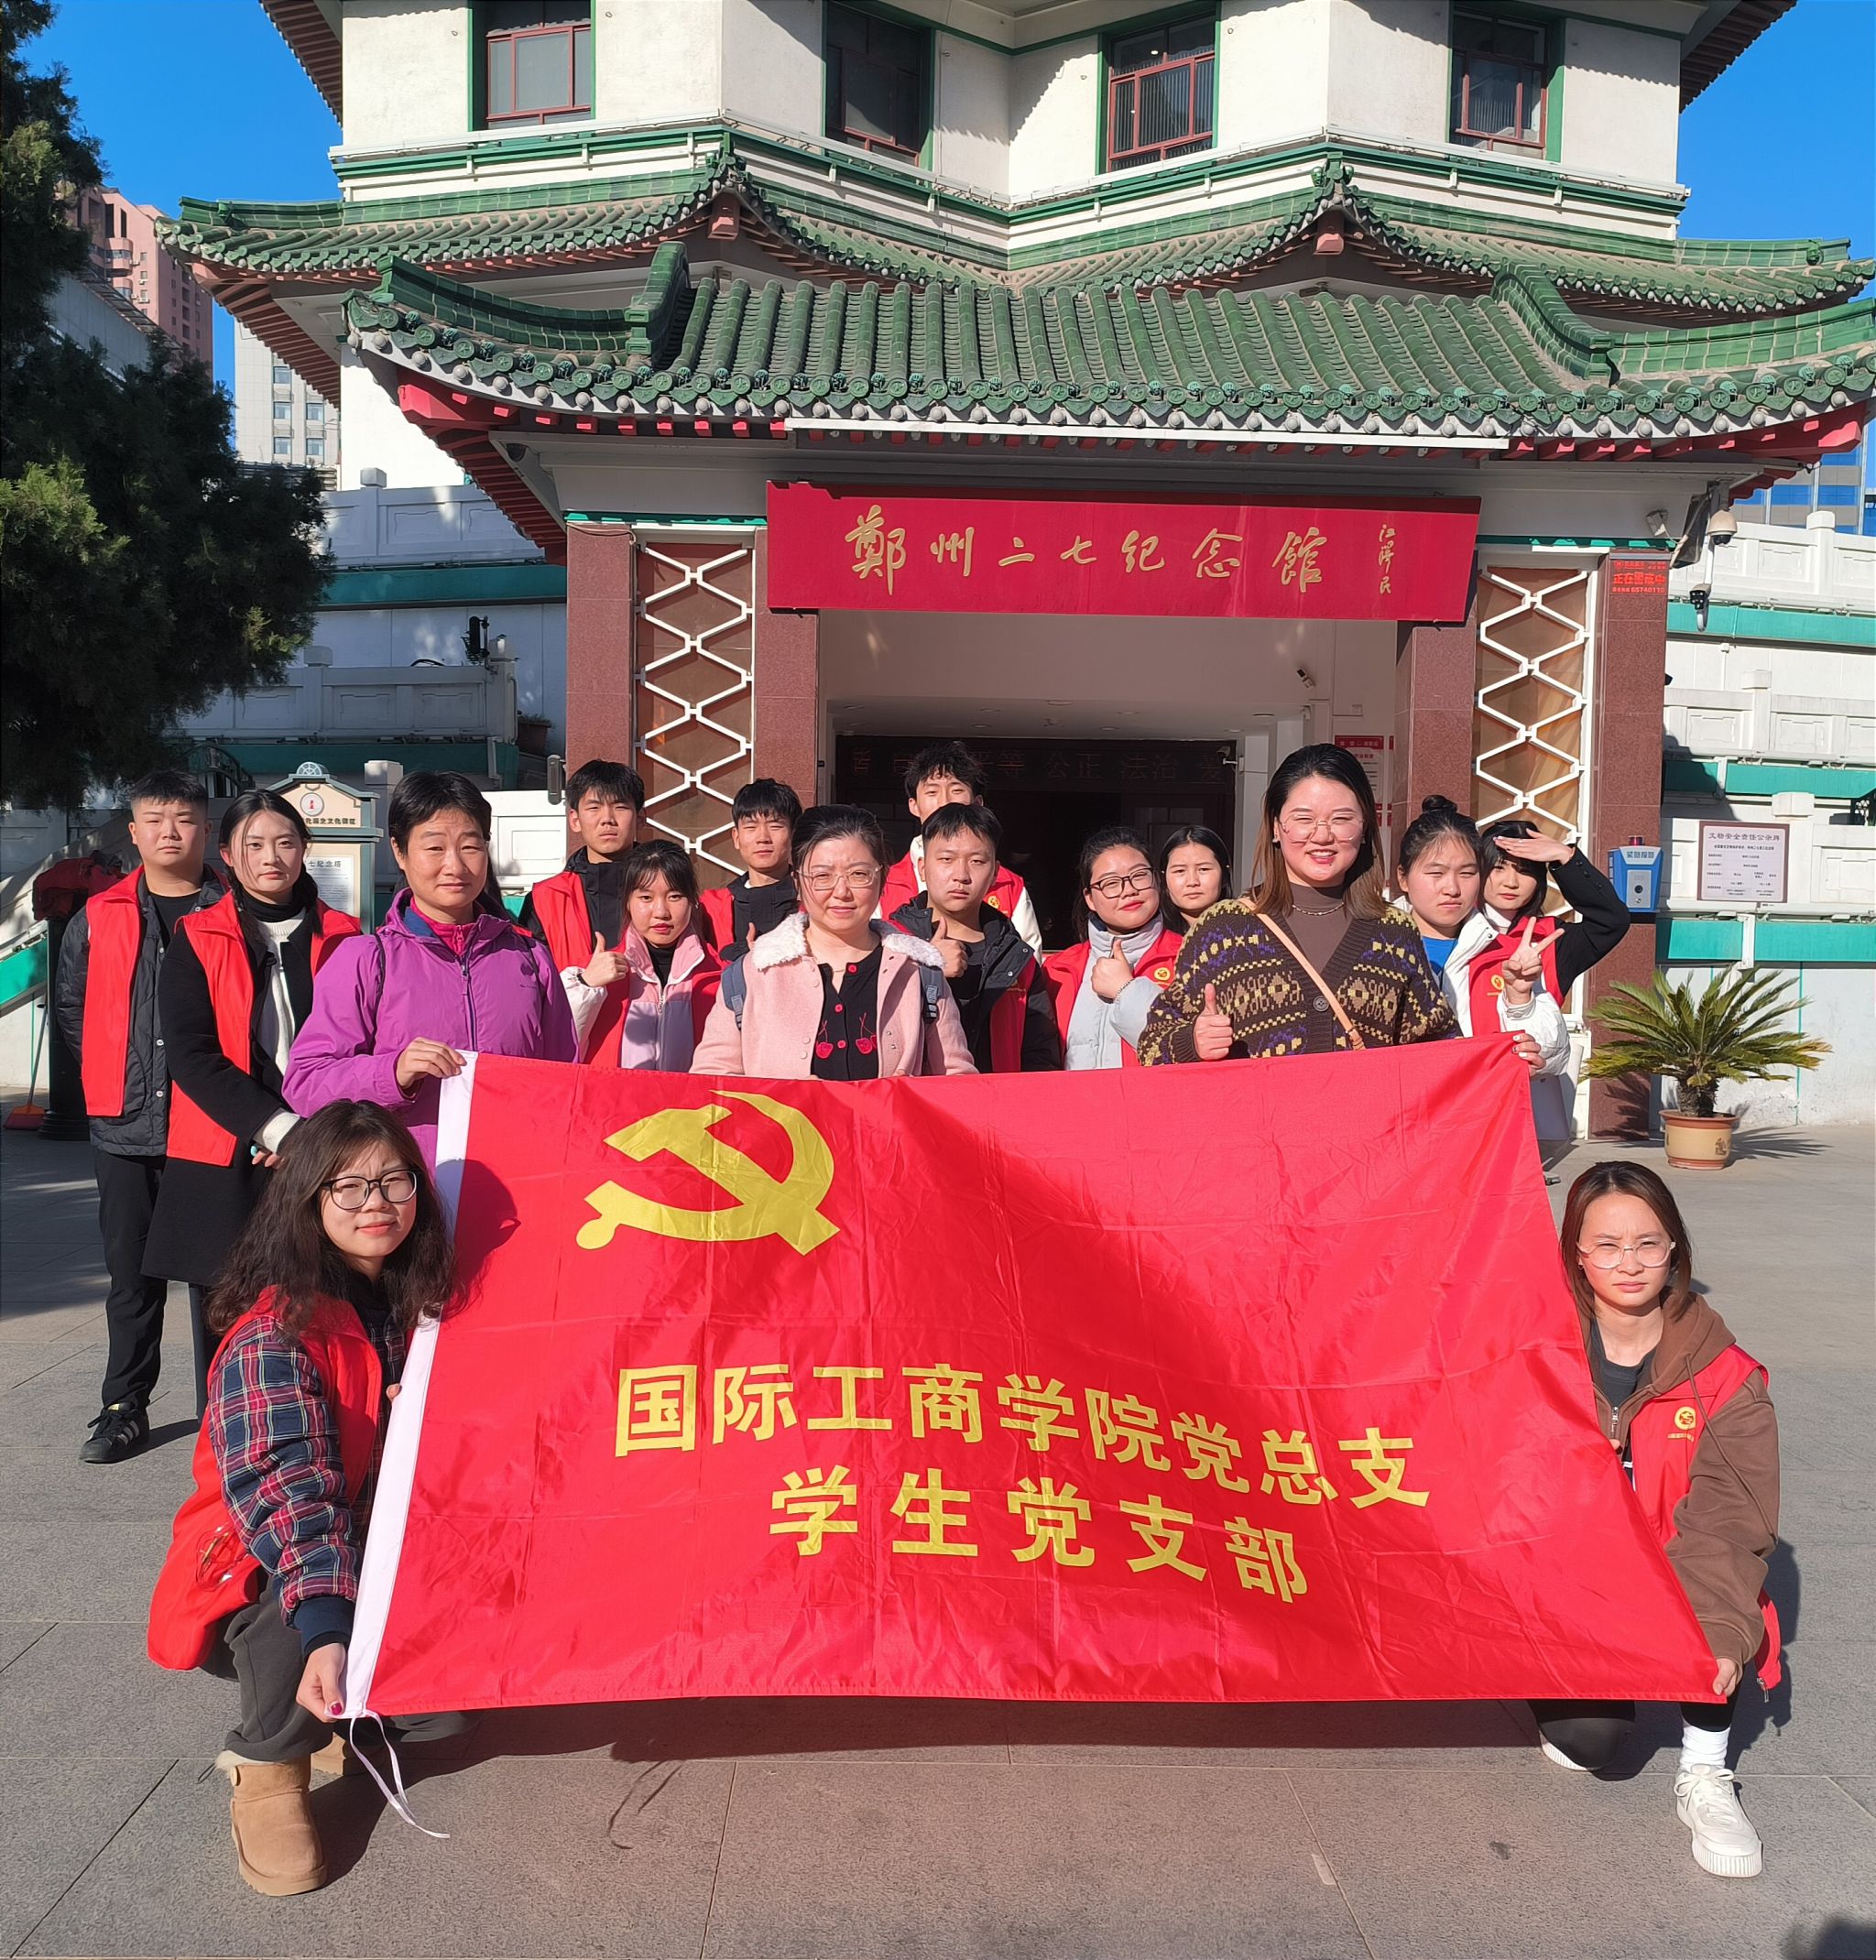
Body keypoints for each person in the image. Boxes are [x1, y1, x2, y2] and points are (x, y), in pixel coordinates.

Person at [146, 1103, 466, 1897]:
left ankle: (336, 1714)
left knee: (447, 1715)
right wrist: (329, 1629)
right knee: (300, 1619)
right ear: (307, 1200)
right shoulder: (274, 1337)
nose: (375, 1203)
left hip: (376, 1545)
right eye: (347, 1187)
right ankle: (267, 1762)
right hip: (263, 1570)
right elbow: (293, 1502)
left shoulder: (426, 1307)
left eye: (394, 1181)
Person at [1536, 1161, 1780, 1880]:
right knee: (1589, 1743)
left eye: (1648, 1243)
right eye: (1606, 1245)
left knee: (1718, 1628)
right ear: (1576, 1255)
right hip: (1566, 1580)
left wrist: (1719, 1633)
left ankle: (1706, 1771)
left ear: (1675, 1249)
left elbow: (1731, 1522)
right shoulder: (1534, 1353)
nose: (1629, 1263)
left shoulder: (1727, 1377)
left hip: (1675, 1574)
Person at [146, 791, 362, 1416]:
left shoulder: (347, 937)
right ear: (228, 856)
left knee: (327, 1308)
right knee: (229, 1321)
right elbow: (192, 1056)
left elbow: (364, 1044)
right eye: (255, 845)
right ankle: (228, 1451)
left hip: (324, 1147)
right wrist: (278, 1129)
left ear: (305, 850)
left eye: (286, 842)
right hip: (227, 1152)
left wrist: (315, 1134)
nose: (272, 857)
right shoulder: (196, 936)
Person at [55, 769, 226, 1465]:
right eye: (154, 820)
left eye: (182, 819)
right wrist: (115, 1074)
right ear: (133, 831)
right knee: (131, 1280)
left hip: (211, 1126)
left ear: (205, 829)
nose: (169, 832)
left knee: (220, 1281)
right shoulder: (99, 916)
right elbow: (72, 1006)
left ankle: (226, 1411)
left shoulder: (232, 910)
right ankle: (124, 1408)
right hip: (124, 1128)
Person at [285, 772, 578, 1163]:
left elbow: (564, 1080)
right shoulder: (365, 959)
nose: (454, 865)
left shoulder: (530, 956)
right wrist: (394, 1072)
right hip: (407, 1183)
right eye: (435, 847)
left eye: (470, 846)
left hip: (516, 1176)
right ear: (400, 852)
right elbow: (306, 1084)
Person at [1138, 744, 1454, 1065]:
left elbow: (1439, 1048)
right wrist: (1192, 1042)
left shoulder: (1394, 931)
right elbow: (1151, 1046)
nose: (1322, 836)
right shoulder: (1222, 929)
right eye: (1304, 818)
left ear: (1364, 828)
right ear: (1276, 827)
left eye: (1342, 819)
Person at [692, 804, 974, 1078]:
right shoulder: (751, 976)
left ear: (882, 878)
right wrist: (787, 1098)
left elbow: (957, 1085)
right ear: (797, 882)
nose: (841, 891)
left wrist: (907, 1097)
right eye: (822, 876)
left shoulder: (920, 974)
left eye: (859, 874)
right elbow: (711, 1085)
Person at [1393, 795, 1570, 1089]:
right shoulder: (1372, 946)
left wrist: (1521, 1001)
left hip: (1477, 1109)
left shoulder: (1506, 953)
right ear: (1403, 877)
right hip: (1398, 1108)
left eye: (1467, 873)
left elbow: (1551, 1054)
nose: (1452, 888)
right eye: (1436, 873)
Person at [1474, 817, 1632, 1135]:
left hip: (1523, 1101)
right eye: (1499, 868)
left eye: (1525, 871)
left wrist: (1566, 858)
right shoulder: (1453, 933)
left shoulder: (1553, 940)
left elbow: (1612, 921)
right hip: (1460, 1092)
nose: (1511, 882)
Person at [889, 803, 1061, 1073]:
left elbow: (1041, 1056)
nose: (961, 875)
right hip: (915, 1097)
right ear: (922, 868)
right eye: (946, 859)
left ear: (995, 873)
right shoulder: (890, 942)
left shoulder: (1017, 957)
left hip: (998, 1097)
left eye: (977, 861)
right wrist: (926, 970)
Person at [564, 841, 722, 1069]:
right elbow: (559, 1049)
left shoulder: (721, 977)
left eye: (674, 896)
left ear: (692, 902)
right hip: (615, 1094)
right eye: (646, 898)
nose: (661, 912)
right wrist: (586, 987)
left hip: (692, 1095)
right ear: (628, 902)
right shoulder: (592, 975)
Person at [876, 742, 1042, 952]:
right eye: (932, 792)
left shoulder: (1008, 885)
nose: (945, 802)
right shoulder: (883, 884)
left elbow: (1026, 960)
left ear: (977, 803)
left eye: (956, 790)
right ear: (914, 805)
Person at [1042, 827, 1184, 1070]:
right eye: (1111, 883)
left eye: (1139, 875)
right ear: (1089, 898)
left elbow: (1187, 1049)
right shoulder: (1057, 971)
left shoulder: (1189, 957)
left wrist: (1126, 991)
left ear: (1157, 880)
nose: (1129, 890)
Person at [518, 757, 646, 971]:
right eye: (594, 807)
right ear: (575, 820)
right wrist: (583, 982)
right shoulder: (546, 897)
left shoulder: (667, 889)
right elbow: (532, 976)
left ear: (640, 818)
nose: (607, 819)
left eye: (620, 807)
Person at [698, 777, 802, 953]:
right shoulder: (711, 909)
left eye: (775, 826)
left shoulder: (813, 902)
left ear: (794, 835)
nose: (763, 838)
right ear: (736, 837)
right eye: (751, 827)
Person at [1157, 824, 1231, 931]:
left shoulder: (1247, 930)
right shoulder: (1151, 935)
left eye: (1204, 869)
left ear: (1224, 875)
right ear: (1163, 878)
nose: (1192, 882)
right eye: (1180, 871)